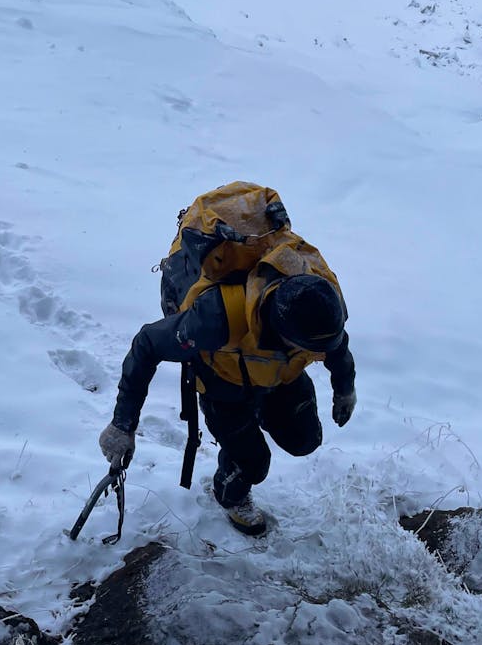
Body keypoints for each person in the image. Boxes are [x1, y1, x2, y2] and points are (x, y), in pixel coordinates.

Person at [98, 227, 356, 537]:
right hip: (224, 384)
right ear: (283, 332)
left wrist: (345, 388)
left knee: (305, 440)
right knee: (254, 463)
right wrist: (122, 424)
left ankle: (257, 416)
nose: (320, 352)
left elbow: (336, 345)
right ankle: (228, 494)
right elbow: (148, 344)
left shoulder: (321, 306)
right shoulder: (217, 317)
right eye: (312, 348)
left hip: (278, 376)